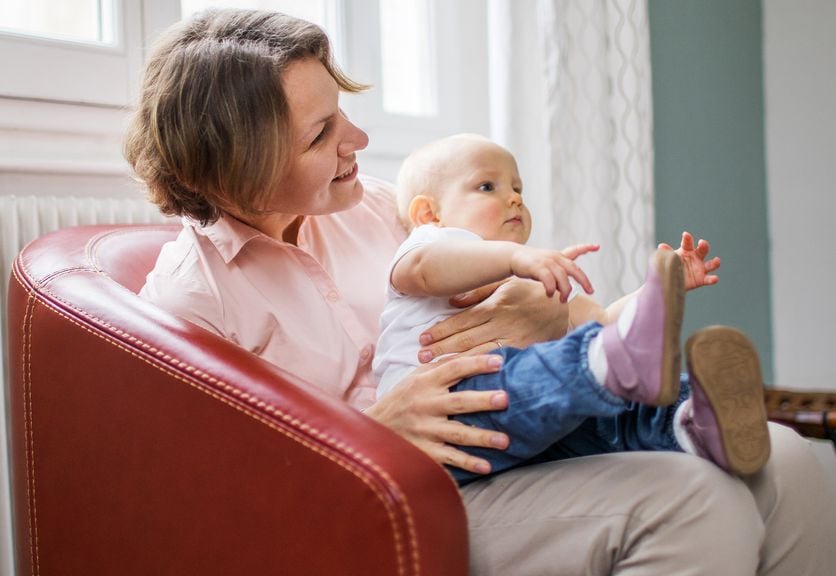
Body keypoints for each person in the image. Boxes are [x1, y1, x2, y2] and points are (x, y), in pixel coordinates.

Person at [126, 8, 836, 575]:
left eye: (341, 111)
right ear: (238, 169)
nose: (359, 137)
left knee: (788, 460)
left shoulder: (378, 207)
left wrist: (544, 312)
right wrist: (374, 433)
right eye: (322, 134)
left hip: (511, 444)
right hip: (409, 496)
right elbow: (219, 506)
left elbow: (493, 285)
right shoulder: (191, 305)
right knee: (699, 503)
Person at [373, 133, 770, 485]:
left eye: (517, 188)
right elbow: (427, 271)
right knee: (580, 367)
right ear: (430, 213)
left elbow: (603, 321)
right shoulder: (430, 244)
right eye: (487, 186)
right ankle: (612, 369)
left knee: (612, 416)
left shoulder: (526, 277)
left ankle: (694, 420)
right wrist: (515, 257)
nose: (513, 198)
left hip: (516, 429)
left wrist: (658, 291)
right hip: (440, 418)